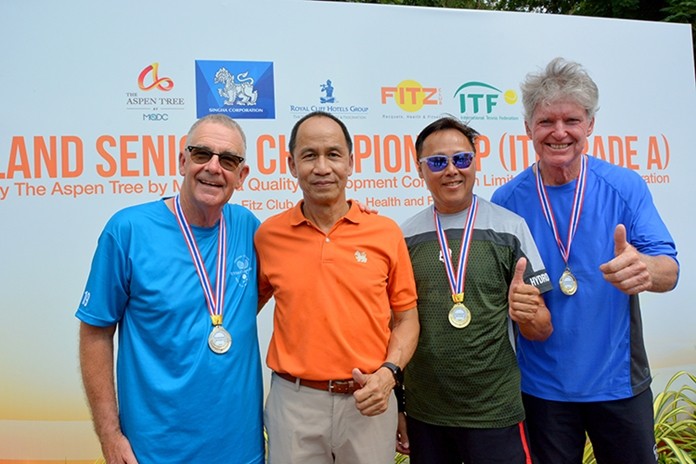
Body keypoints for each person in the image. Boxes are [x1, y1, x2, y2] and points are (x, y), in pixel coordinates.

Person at [491, 57, 680, 464]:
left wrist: (646, 270)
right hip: (542, 390)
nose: (559, 132)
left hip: (619, 385)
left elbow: (670, 269)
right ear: (528, 128)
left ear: (590, 125)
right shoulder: (506, 202)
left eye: (572, 120)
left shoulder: (624, 187)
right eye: (546, 122)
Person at [76, 114, 264, 464]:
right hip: (154, 451)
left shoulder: (249, 229)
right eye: (200, 154)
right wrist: (109, 436)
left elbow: (277, 285)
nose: (213, 167)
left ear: (242, 176)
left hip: (241, 450)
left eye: (228, 160)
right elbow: (94, 333)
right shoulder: (128, 230)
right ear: (182, 161)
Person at [254, 110, 420, 464]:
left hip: (369, 401)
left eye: (333, 154)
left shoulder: (385, 233)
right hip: (293, 404)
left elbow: (407, 320)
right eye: (309, 155)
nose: (322, 167)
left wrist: (389, 375)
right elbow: (241, 309)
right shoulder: (268, 236)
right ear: (291, 163)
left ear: (351, 162)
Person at [397, 116, 553, 464]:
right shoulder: (403, 238)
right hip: (426, 414)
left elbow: (542, 328)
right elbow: (396, 326)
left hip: (495, 411)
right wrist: (399, 406)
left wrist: (528, 314)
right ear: (420, 170)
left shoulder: (510, 229)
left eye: (461, 159)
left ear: (475, 162)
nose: (451, 170)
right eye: (438, 162)